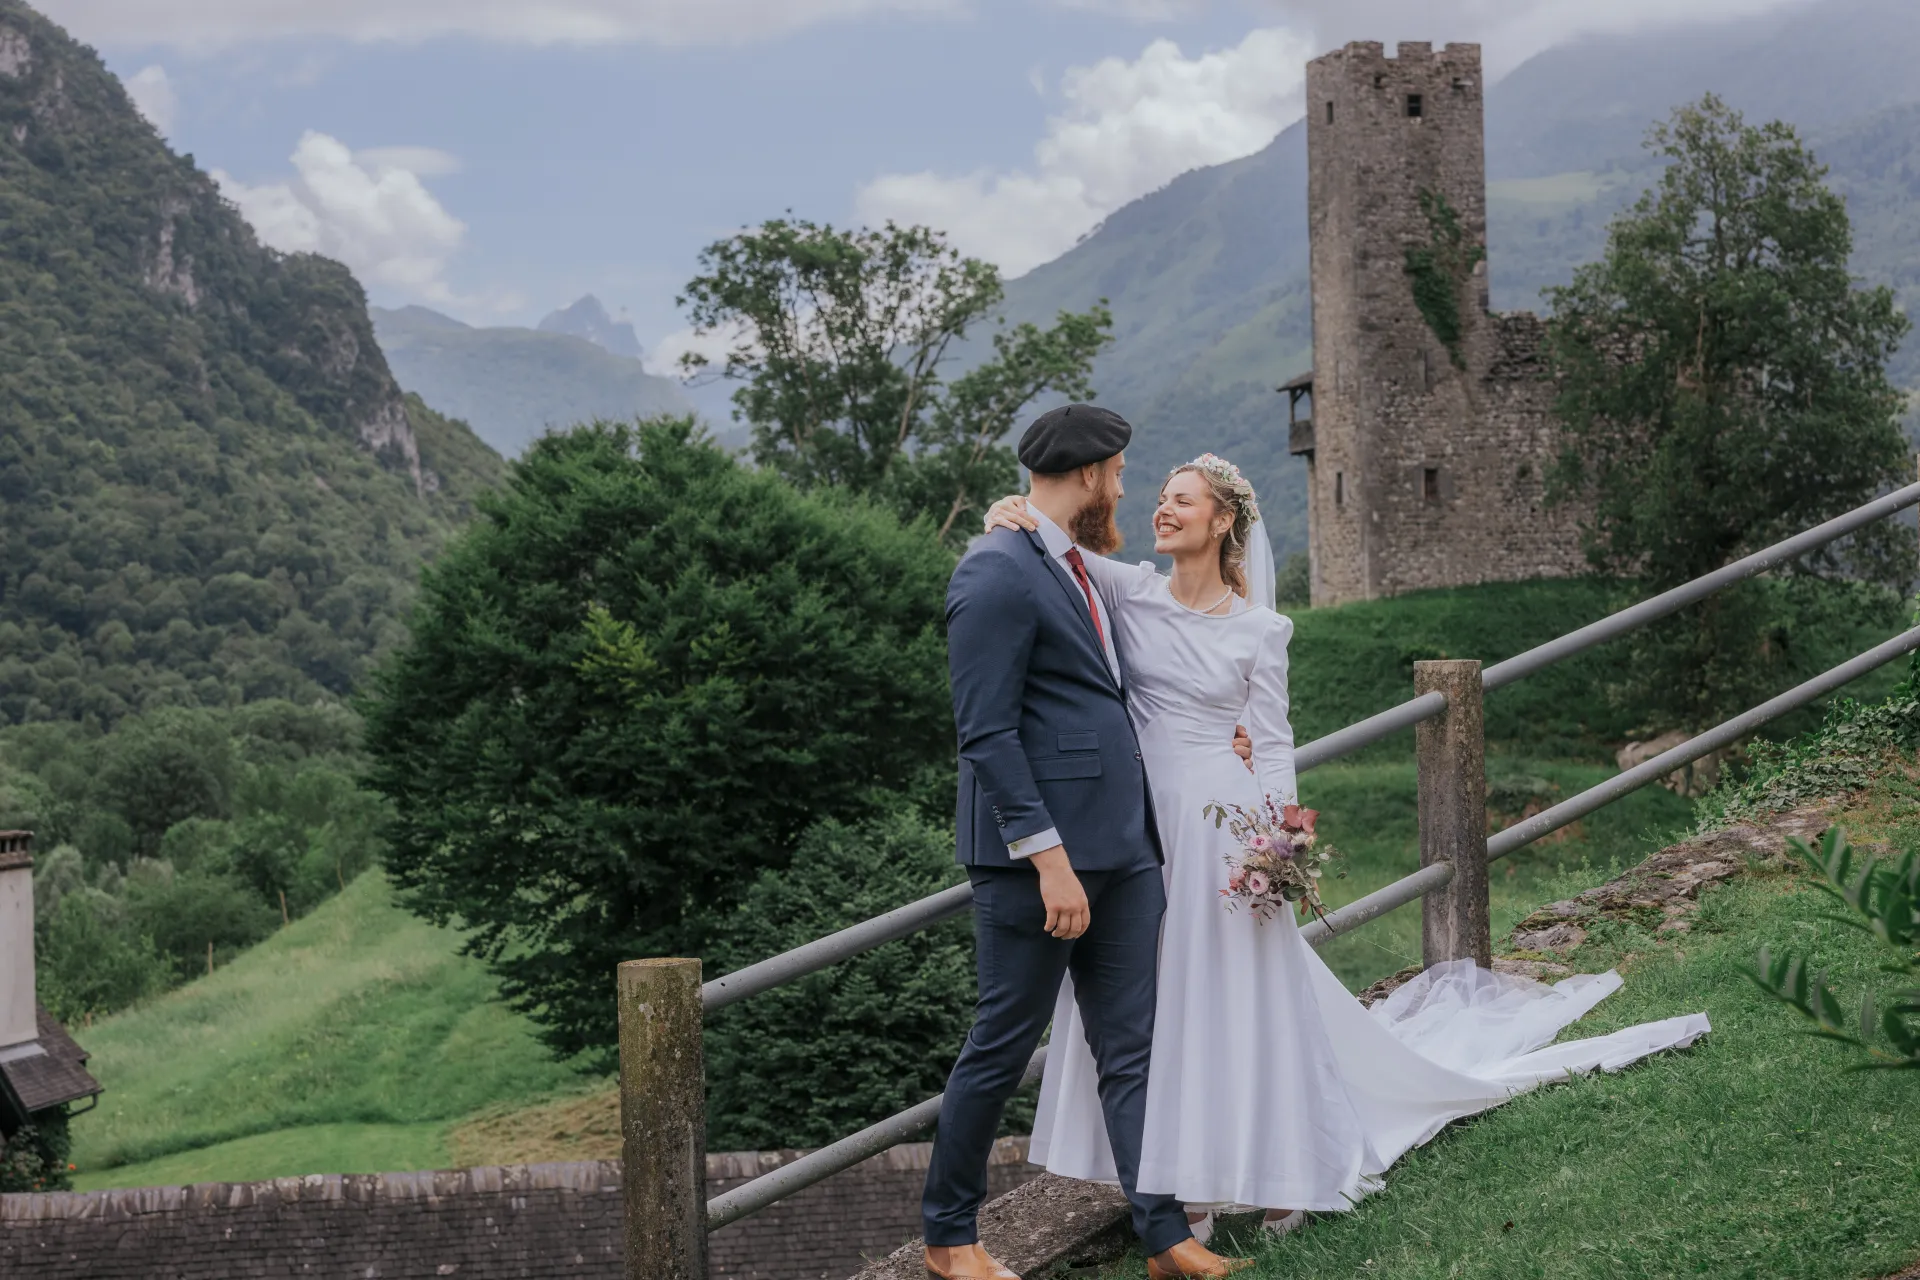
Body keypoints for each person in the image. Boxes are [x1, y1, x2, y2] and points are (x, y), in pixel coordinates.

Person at [983, 453, 1711, 1240]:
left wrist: (1277, 846)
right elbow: (1056, 550)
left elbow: (1269, 744)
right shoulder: (1132, 593)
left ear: (1222, 520)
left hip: (1224, 834)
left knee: (1241, 1000)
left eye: (1181, 500)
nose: (1161, 509)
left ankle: (1281, 1167)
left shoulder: (1264, 629)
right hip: (1139, 826)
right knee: (1156, 1001)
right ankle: (1178, 1177)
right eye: (1158, 497)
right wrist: (1008, 512)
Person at [924, 404, 1254, 1280]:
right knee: (1001, 1045)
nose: (1123, 486)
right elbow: (986, 735)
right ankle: (949, 1239)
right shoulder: (995, 569)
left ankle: (1164, 1237)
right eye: (1115, 472)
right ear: (1087, 475)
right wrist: (1051, 862)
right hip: (1042, 867)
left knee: (1132, 1048)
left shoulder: (1070, 561)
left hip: (1124, 850)